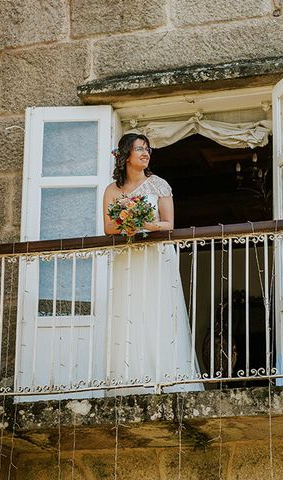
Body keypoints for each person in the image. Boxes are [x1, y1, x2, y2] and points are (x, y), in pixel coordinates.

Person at [102, 133, 202, 394]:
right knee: (129, 311)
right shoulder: (112, 190)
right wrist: (128, 223)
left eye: (147, 149)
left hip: (156, 256)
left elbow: (169, 224)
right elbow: (109, 227)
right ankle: (129, 383)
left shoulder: (159, 185)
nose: (146, 154)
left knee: (158, 310)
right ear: (125, 155)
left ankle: (168, 379)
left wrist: (146, 224)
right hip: (127, 257)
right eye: (139, 149)